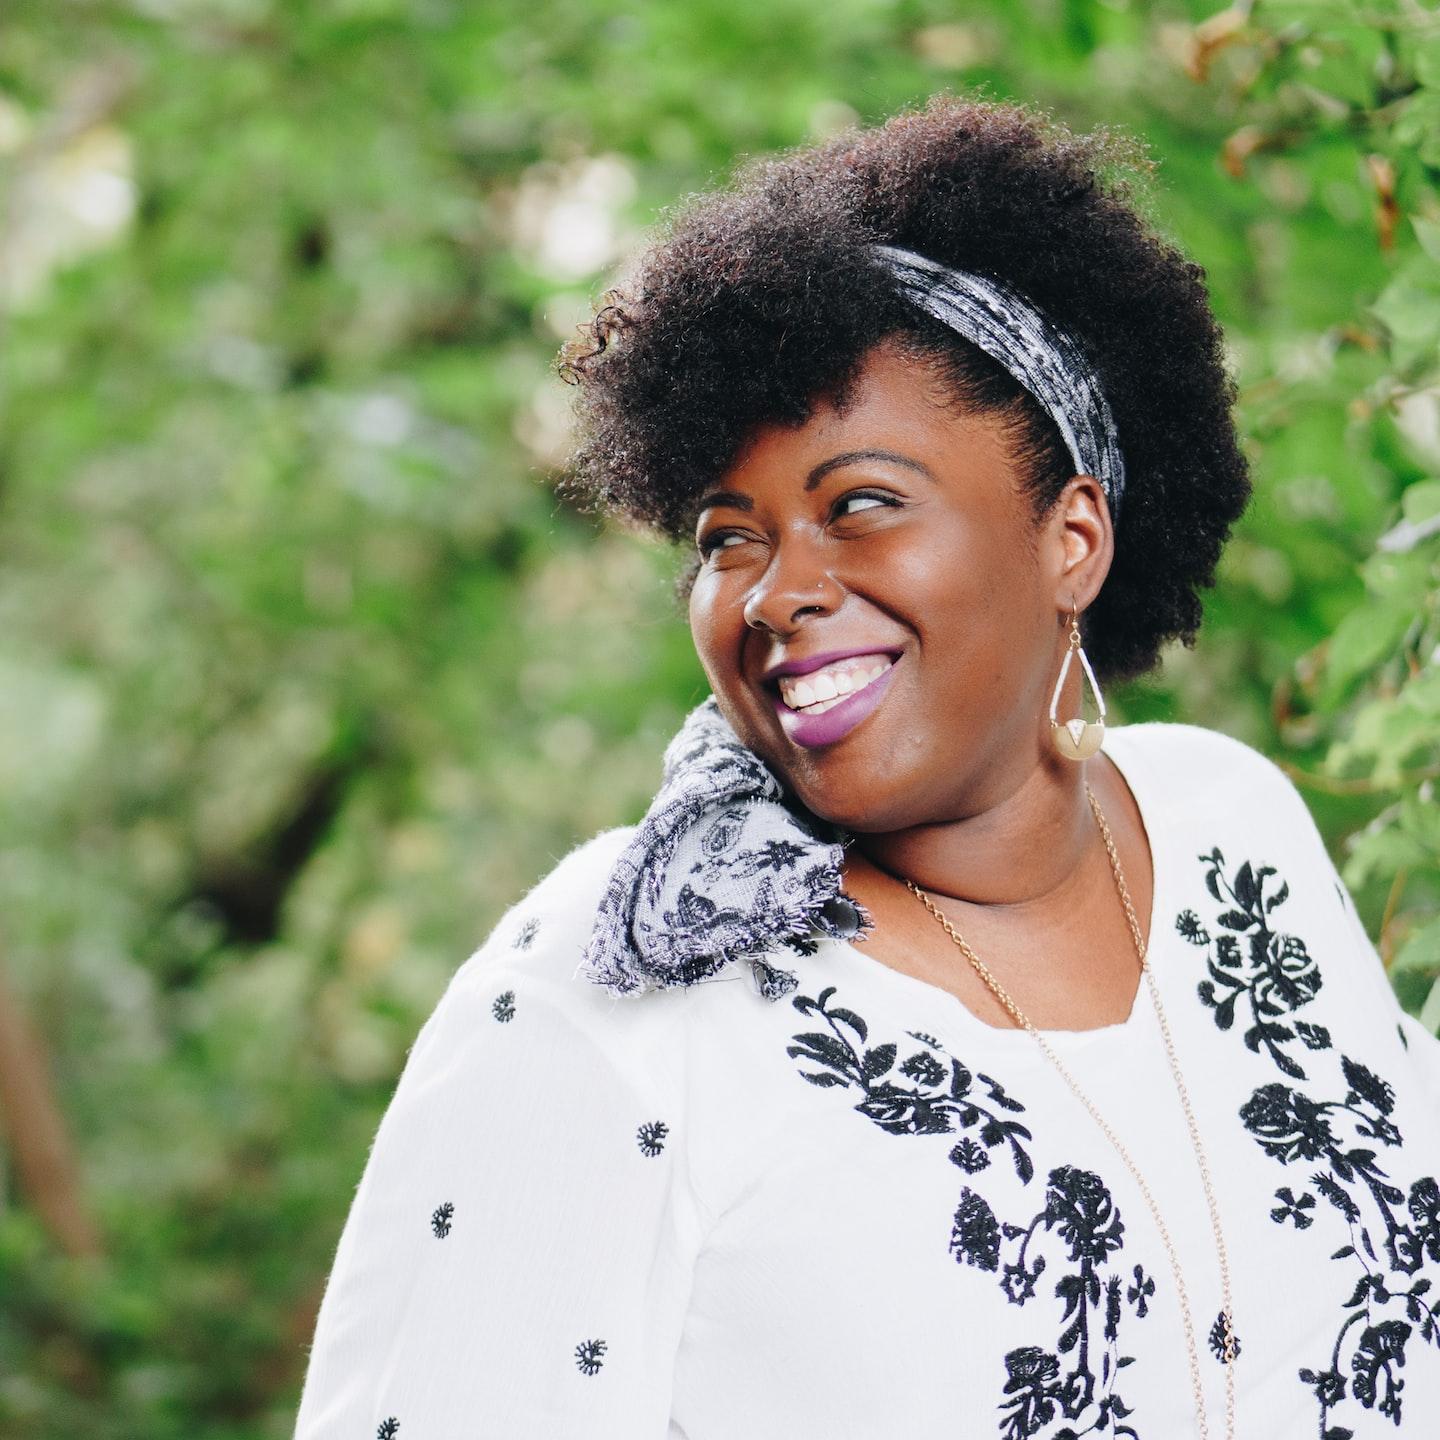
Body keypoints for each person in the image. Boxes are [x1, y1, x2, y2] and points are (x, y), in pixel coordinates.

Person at [293, 95, 1440, 1440]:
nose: (779, 593)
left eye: (861, 506)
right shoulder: (611, 988)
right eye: (730, 538)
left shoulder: (1234, 830)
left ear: (1074, 538)